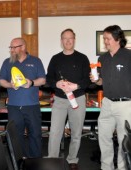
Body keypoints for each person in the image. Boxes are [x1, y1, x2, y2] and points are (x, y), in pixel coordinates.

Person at [46, 28, 90, 170]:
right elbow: (49, 79)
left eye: (70, 38)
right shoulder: (55, 58)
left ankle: (72, 159)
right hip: (59, 100)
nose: (68, 41)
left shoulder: (83, 58)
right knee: (55, 132)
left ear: (74, 40)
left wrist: (75, 86)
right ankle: (52, 159)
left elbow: (88, 81)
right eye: (65, 38)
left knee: (76, 132)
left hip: (78, 99)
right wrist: (57, 84)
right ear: (61, 41)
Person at [90, 25, 131, 170]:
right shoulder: (103, 58)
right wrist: (96, 80)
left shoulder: (128, 56)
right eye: (104, 38)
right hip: (107, 104)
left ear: (117, 38)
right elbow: (102, 82)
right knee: (103, 138)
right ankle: (106, 167)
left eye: (107, 38)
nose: (105, 41)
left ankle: (122, 168)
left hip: (125, 105)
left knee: (123, 140)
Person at [0, 37, 46, 158]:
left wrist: (31, 83)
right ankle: (18, 160)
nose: (12, 50)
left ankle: (35, 161)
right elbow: (1, 81)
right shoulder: (7, 62)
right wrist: (10, 85)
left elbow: (43, 80)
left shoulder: (36, 61)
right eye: (11, 48)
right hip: (14, 106)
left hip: (32, 106)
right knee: (15, 135)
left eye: (14, 47)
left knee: (35, 134)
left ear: (23, 47)